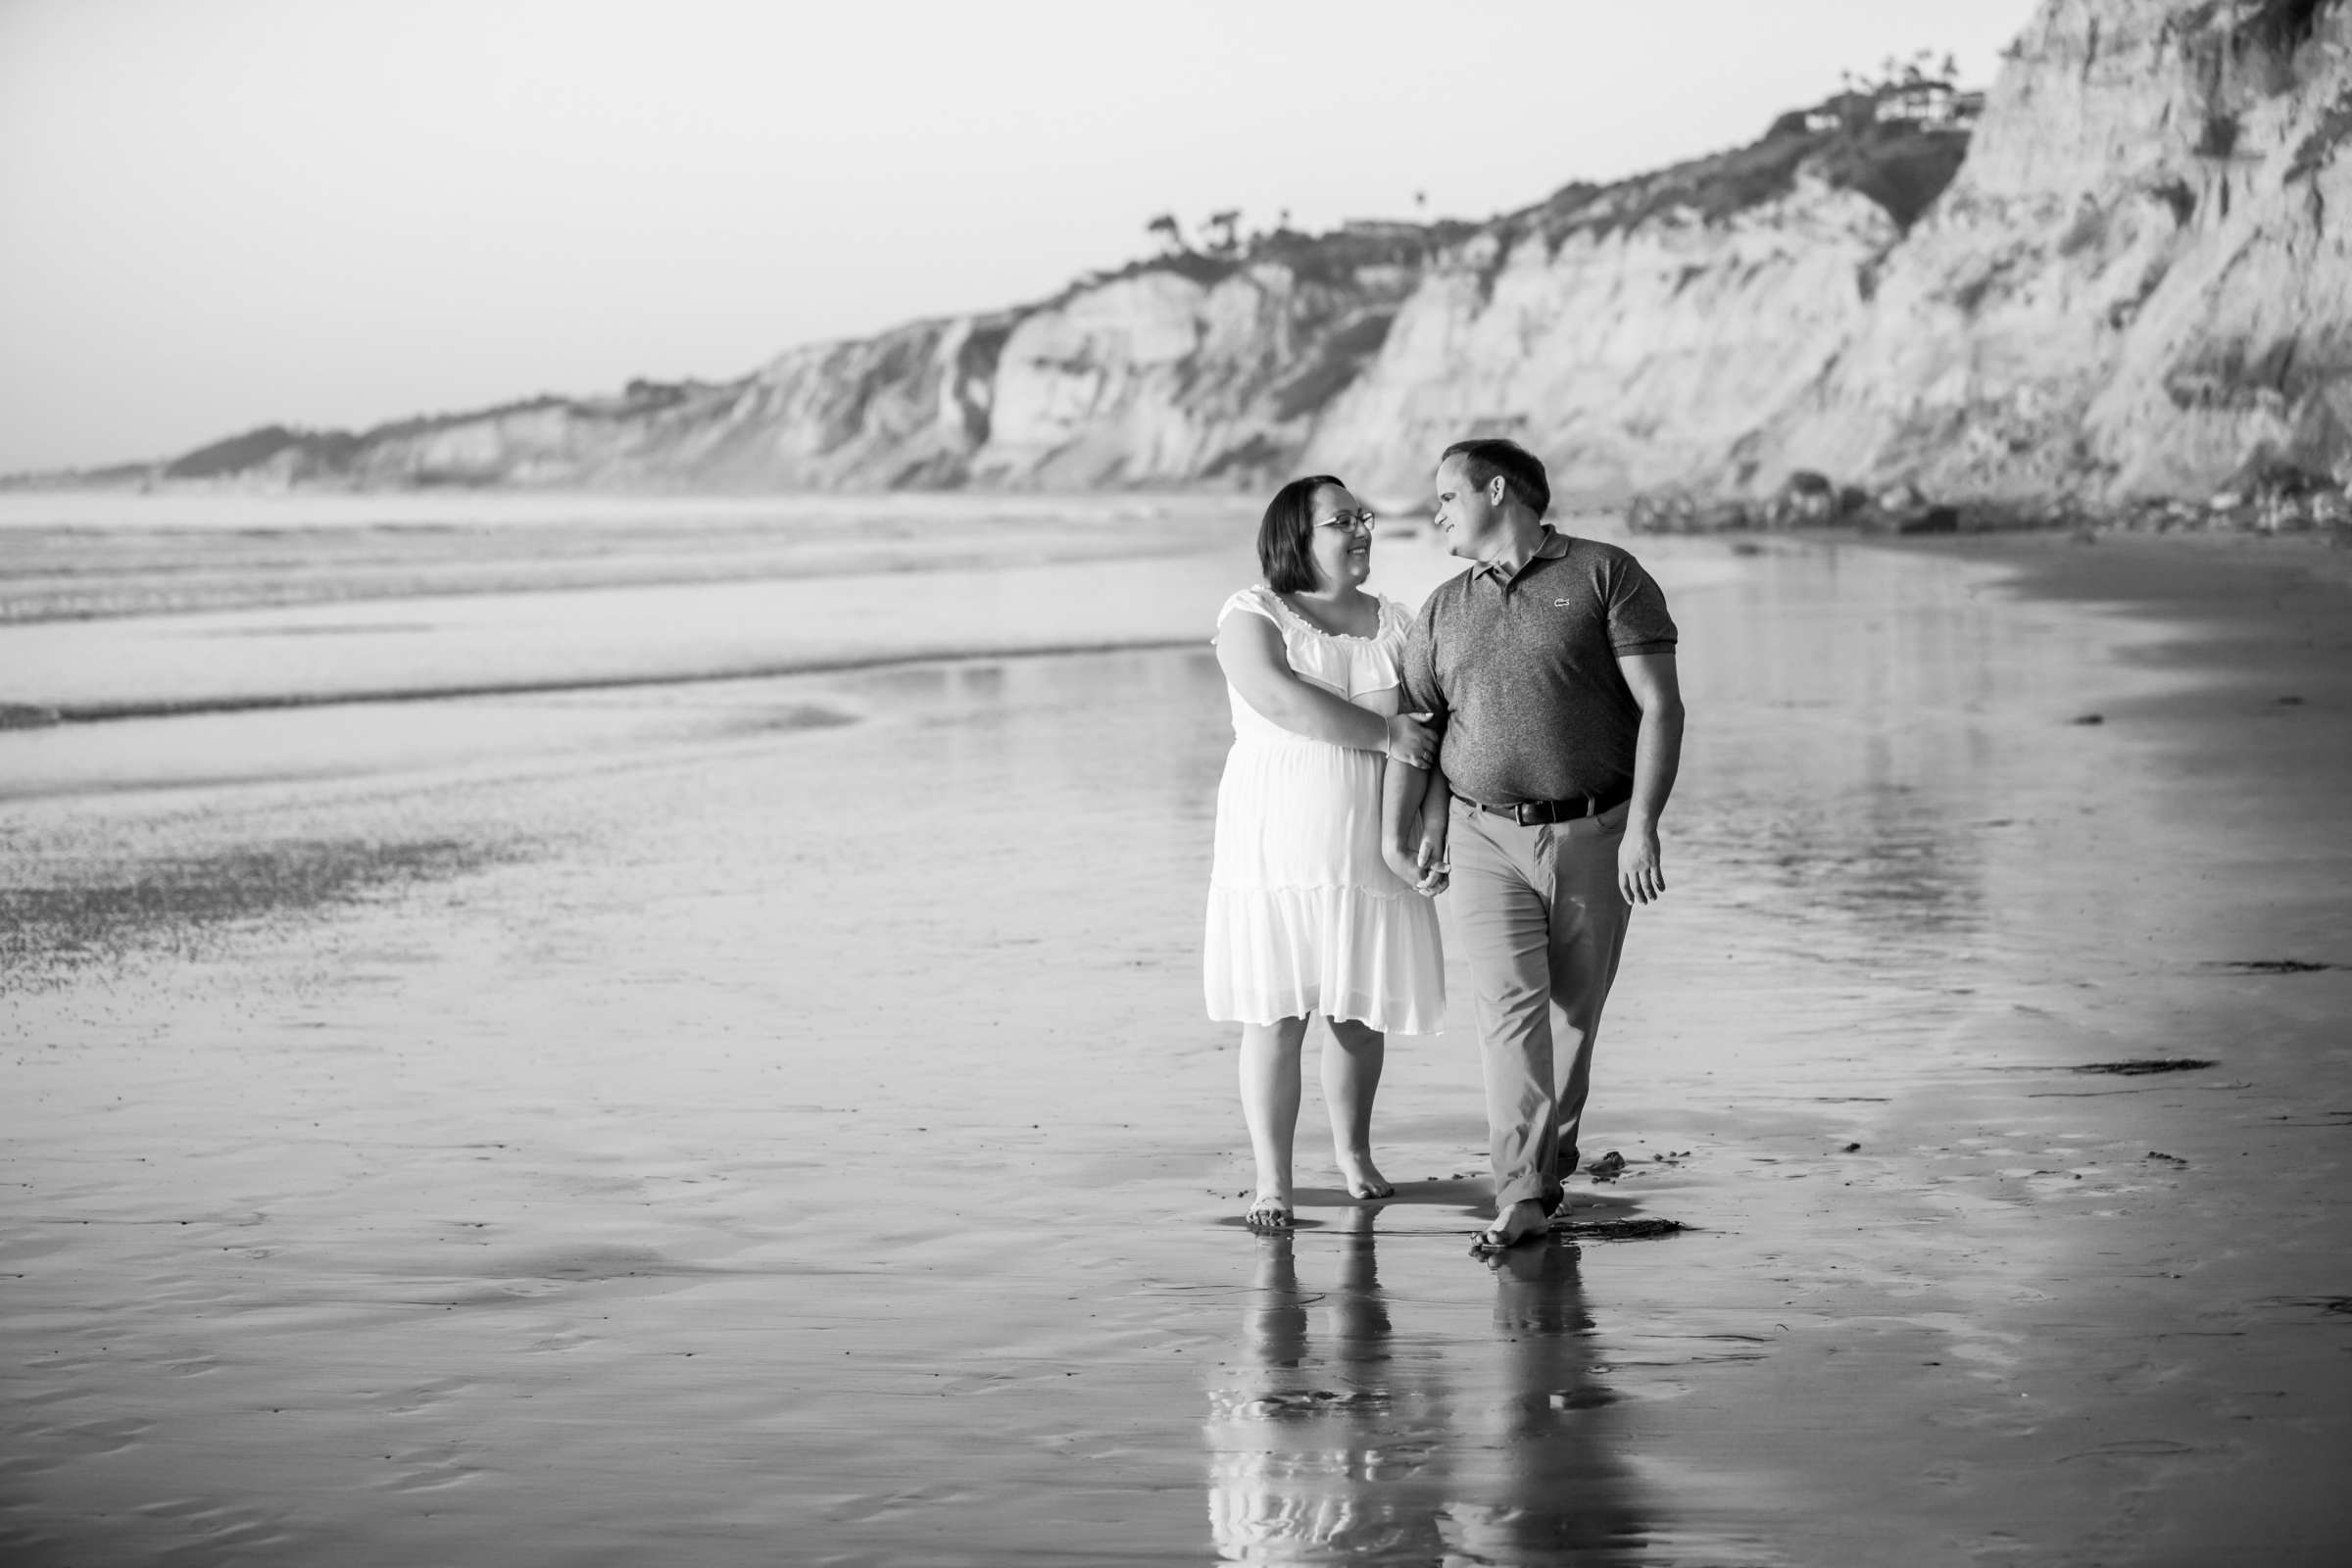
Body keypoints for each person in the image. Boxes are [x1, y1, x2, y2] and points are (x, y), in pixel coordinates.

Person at [1381, 438, 1684, 1251]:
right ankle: (1518, 1191)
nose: (1436, 511)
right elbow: (1420, 732)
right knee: (1509, 1012)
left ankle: (1549, 1160)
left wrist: (1645, 827)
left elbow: (1662, 709)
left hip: (1596, 830)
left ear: (1498, 489)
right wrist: (1410, 827)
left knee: (1574, 1018)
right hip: (1483, 838)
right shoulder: (1443, 607)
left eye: (1448, 494)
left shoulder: (1605, 574)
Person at [1205, 474, 1448, 1231]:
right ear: (1296, 535)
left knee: (1356, 1012)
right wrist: (1386, 735)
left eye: (1363, 517)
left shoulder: (1399, 624)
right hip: (1277, 841)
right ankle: (1272, 1179)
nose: (1361, 530)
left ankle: (1353, 1152)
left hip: (1372, 840)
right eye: (1341, 520)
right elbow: (1280, 700)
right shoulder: (1253, 614)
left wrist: (1432, 825)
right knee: (1276, 1014)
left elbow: (1436, 733)